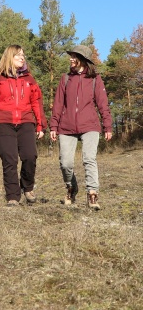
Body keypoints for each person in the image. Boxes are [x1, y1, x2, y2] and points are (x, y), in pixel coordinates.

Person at [0, 45, 47, 207]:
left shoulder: (29, 79)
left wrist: (40, 125)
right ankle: (12, 196)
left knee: (30, 156)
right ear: (10, 57)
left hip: (25, 122)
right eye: (18, 55)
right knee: (9, 159)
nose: (22, 58)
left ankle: (28, 187)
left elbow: (36, 102)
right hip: (3, 122)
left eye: (23, 55)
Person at [50, 45, 113, 210]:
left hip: (90, 125)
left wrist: (107, 126)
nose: (71, 59)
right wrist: (54, 126)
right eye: (70, 56)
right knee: (65, 163)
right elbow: (58, 104)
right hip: (66, 126)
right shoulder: (65, 79)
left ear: (83, 59)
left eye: (74, 56)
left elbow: (103, 104)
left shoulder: (95, 79)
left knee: (89, 158)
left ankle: (92, 194)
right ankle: (71, 187)